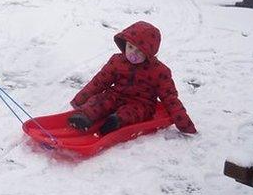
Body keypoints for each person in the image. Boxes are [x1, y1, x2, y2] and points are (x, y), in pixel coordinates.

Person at [68, 21, 197, 135]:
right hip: (116, 95)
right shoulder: (117, 61)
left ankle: (116, 122)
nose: (132, 54)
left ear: (149, 53)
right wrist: (80, 100)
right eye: (130, 47)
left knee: (132, 113)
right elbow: (99, 81)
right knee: (101, 100)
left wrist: (185, 124)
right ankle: (84, 117)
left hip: (141, 102)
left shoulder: (159, 72)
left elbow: (170, 98)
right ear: (125, 44)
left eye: (139, 51)